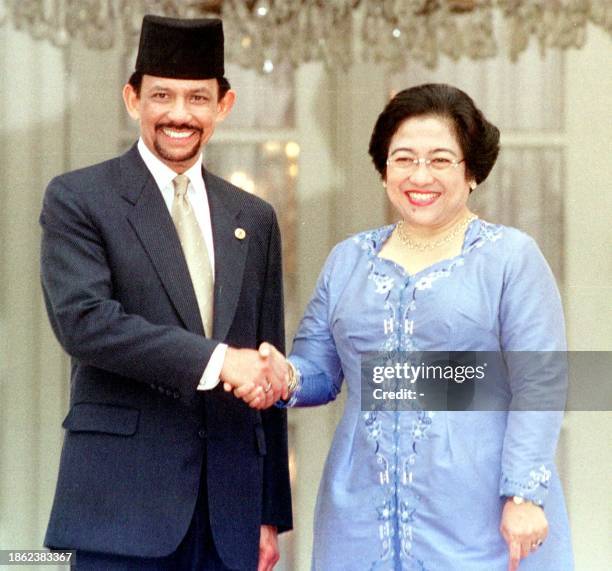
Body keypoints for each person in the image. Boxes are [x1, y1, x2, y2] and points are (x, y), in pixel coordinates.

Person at [268, 84, 573, 570]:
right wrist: (280, 376)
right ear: (384, 168)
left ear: (471, 171)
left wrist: (523, 493)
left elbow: (540, 380)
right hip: (360, 508)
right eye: (404, 158)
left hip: (478, 509)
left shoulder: (509, 258)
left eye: (440, 160)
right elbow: (320, 371)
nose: (420, 175)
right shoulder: (348, 260)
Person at [40, 15, 291, 570]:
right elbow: (84, 322)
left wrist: (268, 511)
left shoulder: (252, 217)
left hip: (230, 517)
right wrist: (221, 361)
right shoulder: (80, 199)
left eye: (198, 97)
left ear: (224, 105)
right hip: (121, 509)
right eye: (162, 96)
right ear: (132, 99)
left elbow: (264, 361)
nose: (180, 114)